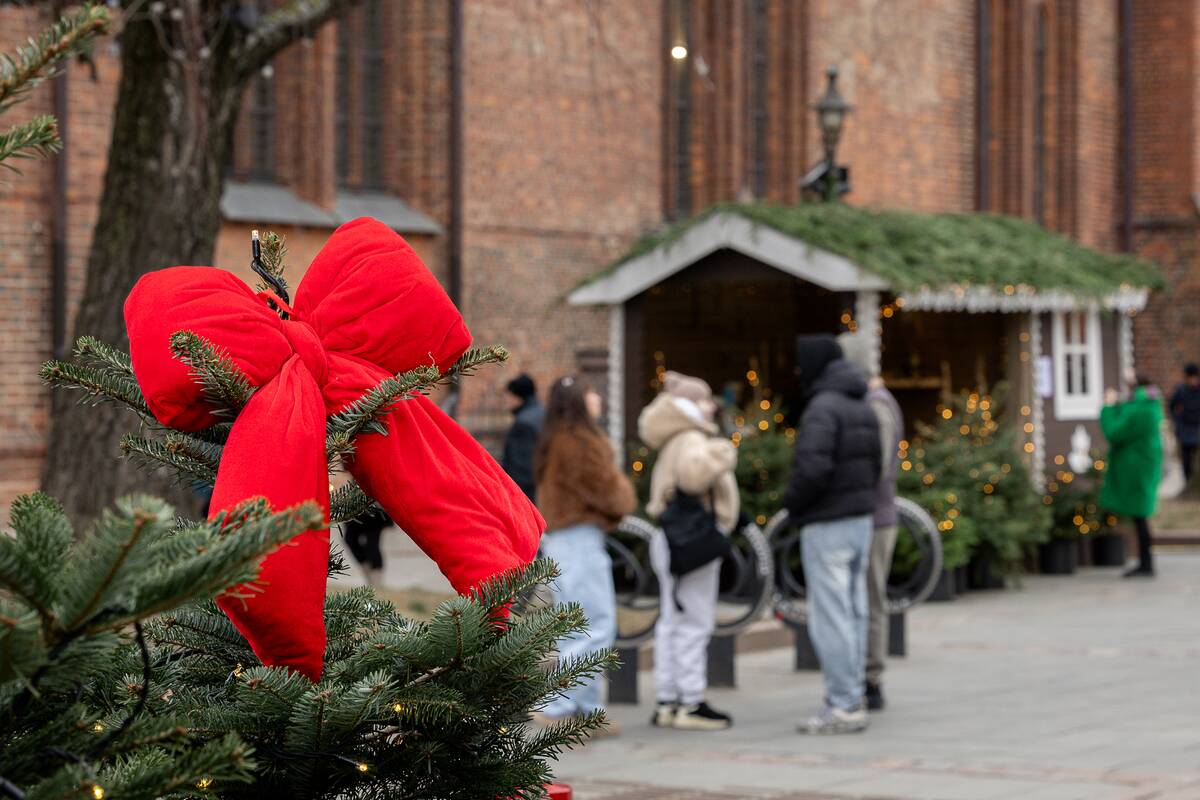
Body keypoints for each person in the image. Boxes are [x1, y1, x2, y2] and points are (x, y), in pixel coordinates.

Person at [784, 335, 881, 735]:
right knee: (854, 611)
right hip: (860, 520)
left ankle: (843, 703)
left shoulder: (822, 407)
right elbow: (877, 464)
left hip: (828, 522)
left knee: (832, 616)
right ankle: (853, 693)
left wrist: (792, 505)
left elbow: (812, 469)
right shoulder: (862, 404)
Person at [534, 376, 636, 728]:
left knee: (578, 626)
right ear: (579, 400)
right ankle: (560, 708)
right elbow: (610, 492)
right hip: (579, 540)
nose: (598, 398)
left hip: (564, 540)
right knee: (595, 626)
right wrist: (624, 495)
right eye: (592, 392)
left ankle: (587, 712)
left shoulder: (556, 438)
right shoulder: (579, 441)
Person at [639, 371, 738, 731]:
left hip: (672, 538)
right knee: (695, 621)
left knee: (671, 620)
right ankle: (691, 702)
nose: (712, 406)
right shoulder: (692, 438)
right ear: (690, 406)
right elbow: (693, 477)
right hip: (693, 541)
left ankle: (668, 700)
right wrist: (724, 452)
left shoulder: (674, 438)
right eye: (705, 400)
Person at [837, 333, 903, 713]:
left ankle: (871, 677)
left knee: (871, 598)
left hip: (875, 517)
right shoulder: (873, 403)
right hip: (872, 514)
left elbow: (876, 466)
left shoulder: (877, 406)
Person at [1100, 375, 1164, 578]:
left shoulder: (1141, 409)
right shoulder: (1147, 405)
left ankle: (1146, 563)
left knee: (1139, 516)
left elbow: (1115, 432)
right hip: (1141, 466)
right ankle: (1144, 562)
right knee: (1139, 516)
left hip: (1136, 469)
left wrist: (1108, 407)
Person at [501, 373, 544, 502]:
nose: (506, 401)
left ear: (517, 397)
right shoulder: (543, 413)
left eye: (508, 396)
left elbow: (521, 472)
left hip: (528, 498)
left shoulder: (523, 424)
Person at [1168, 364, 1200, 483]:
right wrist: (1177, 419)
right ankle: (1188, 481)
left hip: (1197, 428)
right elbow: (1171, 406)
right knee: (1186, 460)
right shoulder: (1181, 390)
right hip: (1185, 429)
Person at [342, 509, 390, 586]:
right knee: (350, 538)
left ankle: (376, 579)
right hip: (356, 511)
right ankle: (369, 573)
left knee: (372, 544)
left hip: (375, 512)